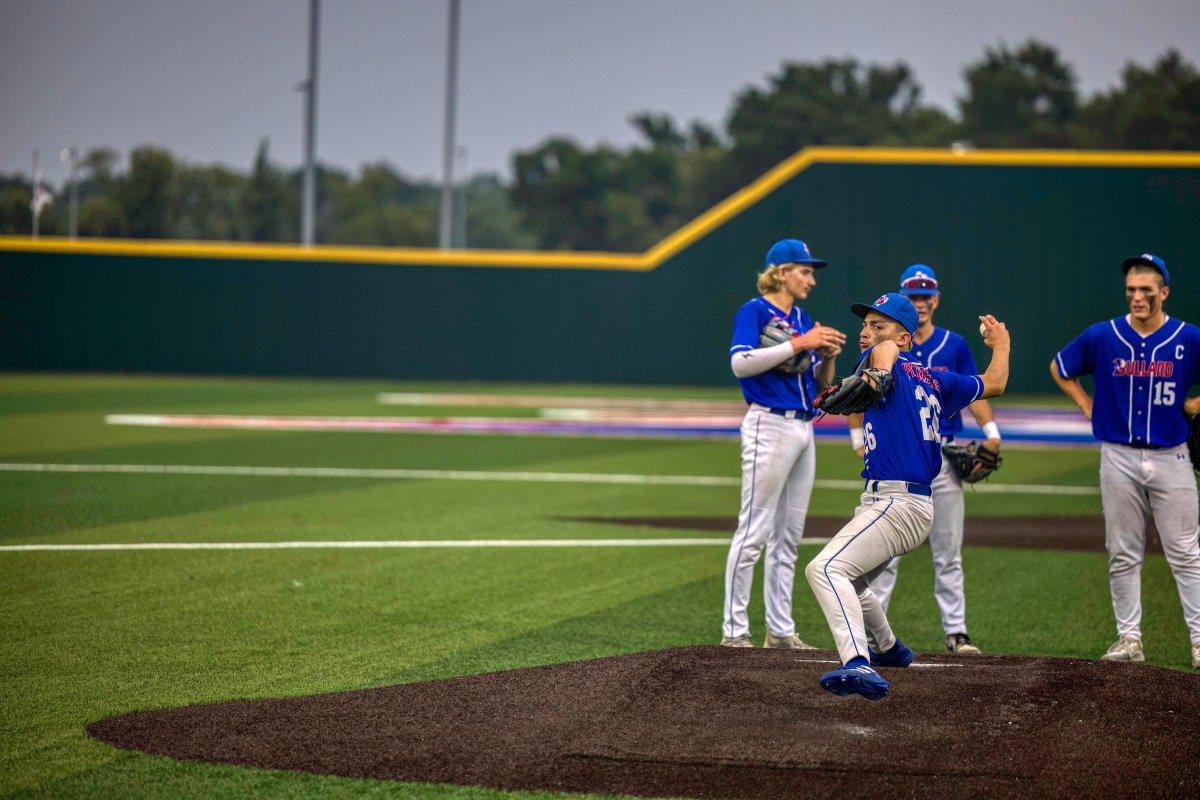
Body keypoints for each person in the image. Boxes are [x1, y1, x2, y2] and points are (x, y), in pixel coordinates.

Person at [805, 293, 1010, 700]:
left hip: (897, 504)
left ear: (904, 338)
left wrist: (880, 368)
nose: (867, 332)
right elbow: (995, 383)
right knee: (855, 582)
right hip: (902, 504)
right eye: (865, 325)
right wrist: (1001, 345)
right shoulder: (935, 379)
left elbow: (883, 355)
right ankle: (889, 648)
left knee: (824, 569)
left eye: (878, 326)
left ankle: (857, 662)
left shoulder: (884, 359)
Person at [1050, 253, 1200, 670]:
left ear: (1164, 292)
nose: (1137, 297)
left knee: (1185, 552)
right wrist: (1085, 404)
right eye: (1131, 290)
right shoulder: (1105, 334)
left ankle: (1199, 639)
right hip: (1117, 455)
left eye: (1146, 290)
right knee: (1122, 551)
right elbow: (1060, 366)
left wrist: (1195, 404)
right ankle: (1129, 638)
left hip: (1171, 455)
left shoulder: (1188, 337)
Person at [847, 264, 1001, 655]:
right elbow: (860, 392)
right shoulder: (881, 345)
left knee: (948, 550)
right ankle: (876, 634)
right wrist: (857, 438)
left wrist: (992, 433)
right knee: (884, 556)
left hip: (942, 454)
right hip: (900, 456)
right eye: (913, 295)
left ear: (935, 300)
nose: (920, 301)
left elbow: (978, 391)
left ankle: (956, 631)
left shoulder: (952, 344)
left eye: (925, 295)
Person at [721, 239, 847, 649]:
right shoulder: (754, 310)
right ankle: (735, 633)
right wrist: (800, 343)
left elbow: (820, 386)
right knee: (753, 531)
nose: (811, 279)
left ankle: (779, 631)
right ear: (780, 272)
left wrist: (827, 355)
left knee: (788, 537)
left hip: (804, 427)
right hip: (769, 423)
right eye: (804, 271)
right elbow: (740, 362)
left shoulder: (802, 318)